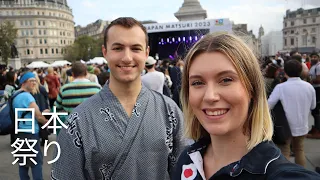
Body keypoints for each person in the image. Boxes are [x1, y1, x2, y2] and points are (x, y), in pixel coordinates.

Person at [51, 17, 186, 180]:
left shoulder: (170, 111)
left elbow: (184, 171)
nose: (127, 58)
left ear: (146, 53)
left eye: (136, 48)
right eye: (118, 48)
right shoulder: (77, 121)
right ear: (105, 52)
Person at [172, 33, 320, 179]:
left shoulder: (280, 174)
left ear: (252, 89)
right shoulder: (186, 160)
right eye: (197, 82)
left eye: (226, 80)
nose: (210, 96)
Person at [268, 60, 316, 167]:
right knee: (299, 150)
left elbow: (269, 105)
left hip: (285, 127)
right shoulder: (309, 87)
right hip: (302, 125)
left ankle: (286, 175)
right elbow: (313, 106)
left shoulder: (280, 87)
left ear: (285, 72)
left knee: (285, 152)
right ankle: (301, 174)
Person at [12, 72, 48, 180]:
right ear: (23, 82)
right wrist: (46, 122)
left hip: (19, 131)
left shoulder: (15, 94)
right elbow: (38, 116)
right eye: (31, 81)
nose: (34, 83)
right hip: (30, 133)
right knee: (36, 162)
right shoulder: (27, 97)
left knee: (23, 162)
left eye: (35, 81)